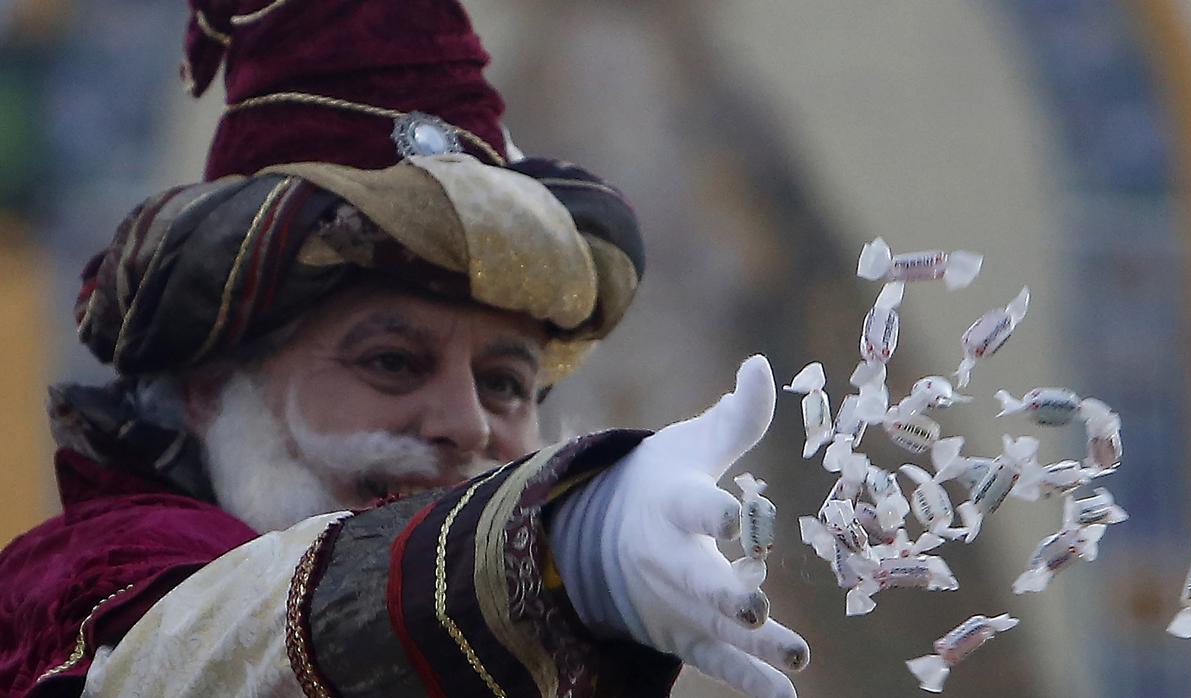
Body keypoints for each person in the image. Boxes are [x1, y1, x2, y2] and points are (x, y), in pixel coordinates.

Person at [0, 2, 809, 697]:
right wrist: (542, 544)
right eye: (392, 361)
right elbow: (213, 647)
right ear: (213, 387)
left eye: (503, 383)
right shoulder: (91, 588)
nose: (465, 424)